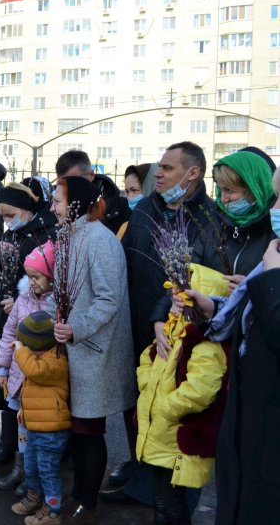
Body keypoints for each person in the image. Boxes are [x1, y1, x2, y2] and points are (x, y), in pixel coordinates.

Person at [108, 142, 225, 498]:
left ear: (192, 173)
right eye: (158, 167)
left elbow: (210, 279)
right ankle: (140, 472)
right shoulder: (144, 209)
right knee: (139, 400)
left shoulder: (210, 219)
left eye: (167, 168)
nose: (157, 174)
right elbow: (126, 265)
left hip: (182, 332)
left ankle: (170, 494)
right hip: (139, 324)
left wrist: (173, 319)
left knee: (176, 409)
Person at [174, 167, 280, 525]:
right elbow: (250, 313)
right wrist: (213, 306)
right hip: (249, 406)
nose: (274, 208)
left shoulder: (271, 258)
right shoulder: (271, 251)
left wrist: (271, 280)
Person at [51, 176, 136, 523]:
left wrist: (76, 328)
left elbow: (108, 299)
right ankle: (79, 495)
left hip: (93, 349)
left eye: (57, 201)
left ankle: (86, 501)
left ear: (74, 205)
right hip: (72, 345)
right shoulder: (69, 236)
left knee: (88, 430)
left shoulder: (99, 240)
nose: (52, 207)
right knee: (77, 429)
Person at [134, 263, 229, 524]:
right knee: (159, 497)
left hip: (177, 436)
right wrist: (146, 385)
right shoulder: (173, 331)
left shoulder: (204, 343)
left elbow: (200, 389)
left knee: (173, 502)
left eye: (182, 298)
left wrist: (164, 407)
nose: (174, 303)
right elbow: (148, 357)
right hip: (161, 433)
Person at [0, 179, 57, 472]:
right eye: (3, 216)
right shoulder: (11, 235)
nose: (6, 221)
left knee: (28, 387)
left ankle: (28, 458)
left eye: (10, 215)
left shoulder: (44, 234)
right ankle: (6, 446)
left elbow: (49, 282)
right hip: (7, 319)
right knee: (7, 381)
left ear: (26, 210)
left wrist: (25, 300)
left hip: (35, 325)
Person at [0, 241, 56, 493]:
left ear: (52, 276)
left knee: (40, 431)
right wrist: (2, 369)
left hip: (43, 380)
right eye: (29, 277)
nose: (32, 282)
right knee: (22, 427)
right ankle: (21, 469)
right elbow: (9, 334)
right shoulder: (23, 300)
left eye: (37, 276)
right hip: (20, 378)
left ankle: (36, 477)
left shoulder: (57, 303)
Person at [10, 310, 71, 525]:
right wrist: (23, 410)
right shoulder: (38, 356)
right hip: (35, 426)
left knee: (48, 471)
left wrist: (20, 351)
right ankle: (34, 498)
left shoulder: (55, 360)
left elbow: (34, 372)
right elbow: (34, 392)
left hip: (52, 431)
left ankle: (53, 510)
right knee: (31, 466)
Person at [212, 150, 275, 284]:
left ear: (255, 189)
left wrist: (250, 292)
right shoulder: (214, 222)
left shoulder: (276, 229)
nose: (222, 199)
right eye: (220, 189)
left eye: (229, 190)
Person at [55, 149, 130, 236]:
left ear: (91, 175)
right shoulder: (56, 206)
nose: (69, 187)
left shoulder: (123, 207)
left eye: (74, 181)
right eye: (62, 183)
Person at [117, 163, 159, 239]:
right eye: (127, 191)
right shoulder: (125, 228)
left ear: (150, 188)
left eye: (134, 190)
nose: (129, 197)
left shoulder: (167, 226)